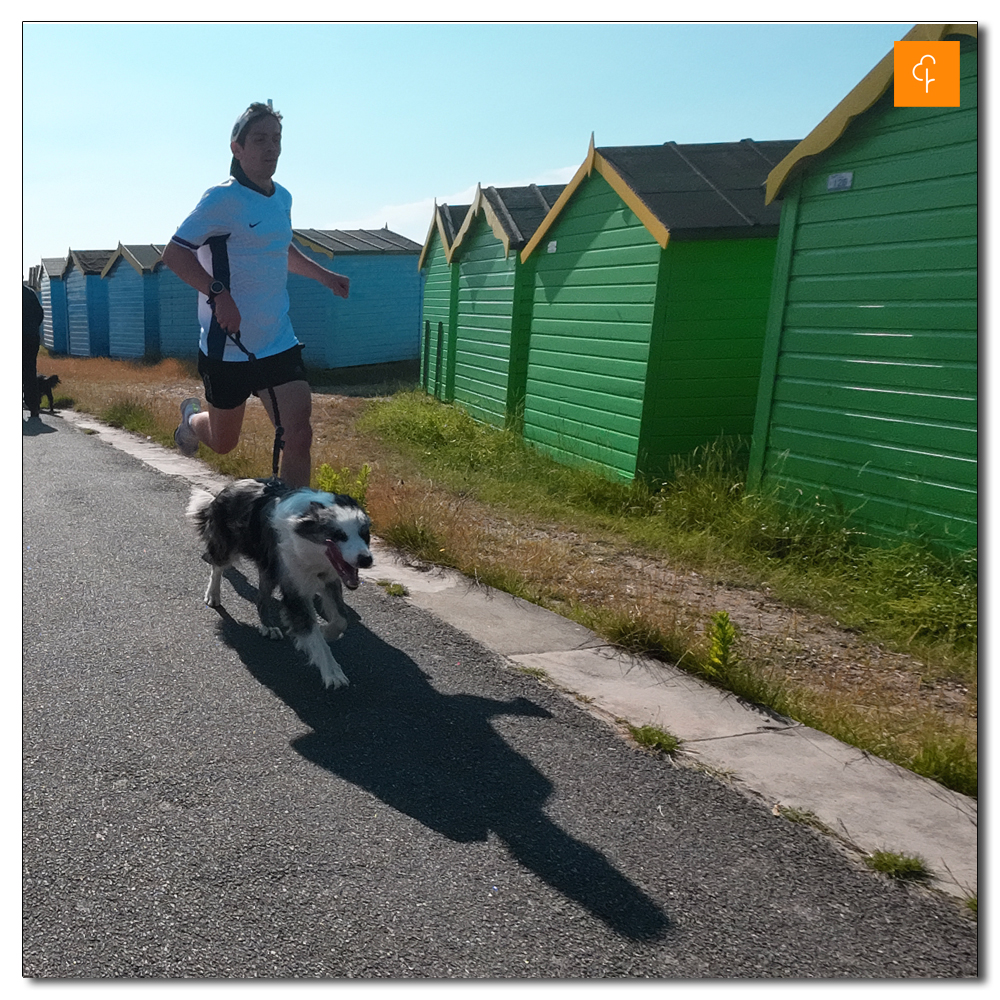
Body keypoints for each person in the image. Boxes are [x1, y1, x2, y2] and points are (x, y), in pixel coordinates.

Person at [161, 101, 349, 488]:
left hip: (278, 340)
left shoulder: (283, 199)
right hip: (227, 346)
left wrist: (324, 276)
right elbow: (174, 253)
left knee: (299, 434)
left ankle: (295, 530)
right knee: (224, 442)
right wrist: (218, 292)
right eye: (260, 139)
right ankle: (192, 422)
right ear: (237, 148)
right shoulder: (220, 199)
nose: (271, 148)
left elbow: (280, 249)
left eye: (277, 139)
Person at [23, 283, 44, 420]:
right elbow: (40, 314)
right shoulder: (30, 293)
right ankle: (33, 407)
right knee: (30, 371)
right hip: (31, 338)